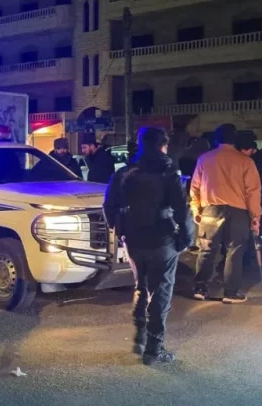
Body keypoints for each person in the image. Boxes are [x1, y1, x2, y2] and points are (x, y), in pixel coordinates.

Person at [104, 127, 192, 366]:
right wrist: (186, 239)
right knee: (161, 291)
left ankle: (140, 335)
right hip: (162, 238)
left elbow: (109, 206)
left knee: (141, 285)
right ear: (163, 146)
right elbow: (182, 210)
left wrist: (120, 230)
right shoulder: (168, 173)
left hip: (133, 239)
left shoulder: (124, 173)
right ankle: (154, 348)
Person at [191, 124, 262, 304]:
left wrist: (196, 209)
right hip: (238, 211)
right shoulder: (246, 162)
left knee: (206, 250)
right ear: (234, 139)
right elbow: (253, 191)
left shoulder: (204, 159)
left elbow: (195, 187)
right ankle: (230, 293)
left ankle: (200, 288)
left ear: (215, 139)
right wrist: (255, 216)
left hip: (210, 210)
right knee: (235, 252)